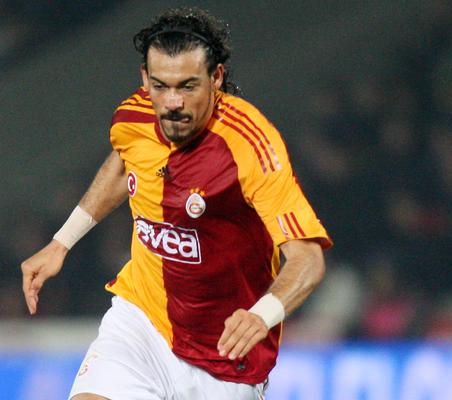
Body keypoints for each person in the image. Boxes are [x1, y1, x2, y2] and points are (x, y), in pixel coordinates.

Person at [20, 7, 332, 400]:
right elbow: (123, 164)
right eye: (160, 86)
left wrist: (262, 314)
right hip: (142, 324)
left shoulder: (251, 145)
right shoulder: (133, 117)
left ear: (216, 78)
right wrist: (61, 242)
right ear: (145, 78)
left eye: (187, 86)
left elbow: (308, 259)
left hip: (226, 357)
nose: (172, 102)